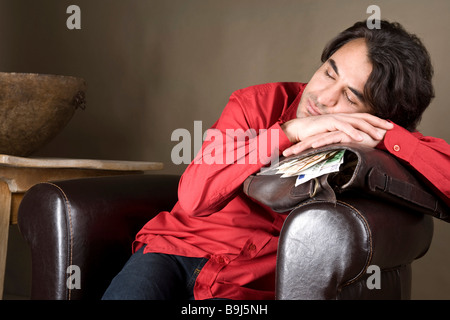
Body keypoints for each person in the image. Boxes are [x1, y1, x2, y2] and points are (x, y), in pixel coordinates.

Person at [102, 20, 450, 300]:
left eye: (351, 96)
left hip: (250, 282)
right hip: (174, 250)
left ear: (376, 115)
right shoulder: (256, 103)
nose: (323, 98)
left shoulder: (375, 136)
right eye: (329, 73)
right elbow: (194, 197)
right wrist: (288, 131)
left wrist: (386, 135)